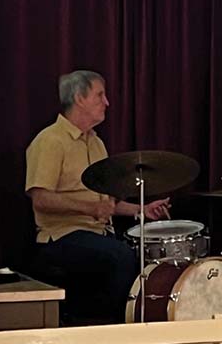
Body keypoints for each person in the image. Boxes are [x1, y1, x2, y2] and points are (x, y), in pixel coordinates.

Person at [25, 70, 170, 320]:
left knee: (140, 254)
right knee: (121, 257)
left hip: (97, 233)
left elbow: (104, 204)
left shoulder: (97, 143)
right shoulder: (50, 141)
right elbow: (40, 198)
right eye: (100, 95)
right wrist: (88, 209)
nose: (107, 102)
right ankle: (106, 338)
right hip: (60, 236)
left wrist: (140, 211)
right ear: (80, 98)